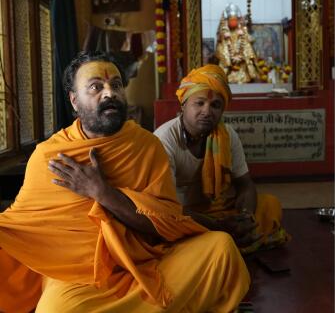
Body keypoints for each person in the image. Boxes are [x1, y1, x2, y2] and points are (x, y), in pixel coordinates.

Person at [0, 51, 249, 312]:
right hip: (81, 278)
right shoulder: (49, 156)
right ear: (74, 101)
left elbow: (164, 222)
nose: (109, 94)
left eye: (116, 85)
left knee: (220, 249)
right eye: (96, 86)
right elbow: (21, 223)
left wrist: (102, 193)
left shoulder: (147, 146)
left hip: (147, 262)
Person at [154, 64, 289, 254]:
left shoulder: (226, 135)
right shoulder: (165, 139)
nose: (207, 111)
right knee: (169, 226)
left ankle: (231, 241)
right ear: (183, 104)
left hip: (217, 211)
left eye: (215, 105)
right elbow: (166, 206)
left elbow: (245, 184)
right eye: (199, 103)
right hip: (183, 215)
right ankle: (232, 243)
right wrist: (218, 225)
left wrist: (245, 217)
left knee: (269, 204)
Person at [215, 3, 260, 84]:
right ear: (227, 21)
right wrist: (230, 59)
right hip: (229, 67)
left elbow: (248, 46)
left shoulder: (242, 33)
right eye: (231, 20)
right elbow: (221, 50)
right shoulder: (224, 36)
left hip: (242, 66)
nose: (233, 22)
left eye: (235, 20)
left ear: (238, 20)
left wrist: (242, 56)